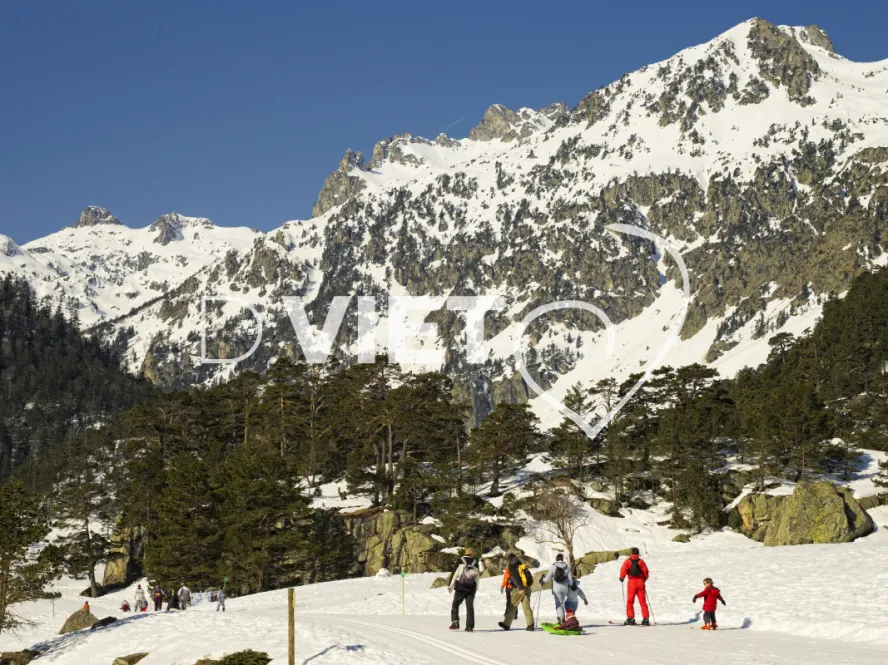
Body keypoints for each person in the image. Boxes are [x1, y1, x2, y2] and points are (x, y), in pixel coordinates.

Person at [448, 547, 483, 632]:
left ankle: (455, 622)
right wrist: (476, 586)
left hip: (461, 586)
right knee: (469, 607)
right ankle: (469, 627)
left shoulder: (460, 561)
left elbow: (455, 573)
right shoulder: (475, 562)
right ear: (472, 554)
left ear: (465, 553)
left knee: (455, 604)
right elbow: (477, 576)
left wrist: (450, 585)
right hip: (471, 587)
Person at [498, 556, 535, 631]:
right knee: (526, 606)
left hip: (518, 589)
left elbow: (514, 578)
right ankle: (530, 624)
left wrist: (520, 588)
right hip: (527, 588)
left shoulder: (512, 567)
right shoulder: (522, 567)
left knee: (512, 605)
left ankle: (506, 624)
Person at [619, 547, 650, 626]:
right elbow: (645, 572)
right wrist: (644, 580)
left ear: (631, 553)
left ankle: (630, 619)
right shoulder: (641, 562)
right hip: (640, 583)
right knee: (643, 602)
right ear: (638, 553)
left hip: (632, 583)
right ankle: (646, 619)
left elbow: (623, 570)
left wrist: (622, 577)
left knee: (630, 602)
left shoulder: (627, 561)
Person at [541, 554, 573, 623]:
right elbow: (570, 580)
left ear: (556, 559)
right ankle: (561, 619)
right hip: (565, 588)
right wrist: (571, 585)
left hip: (556, 588)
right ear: (562, 559)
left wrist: (542, 581)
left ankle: (561, 619)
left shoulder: (553, 566)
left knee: (559, 604)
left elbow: (549, 576)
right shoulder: (567, 567)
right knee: (561, 603)